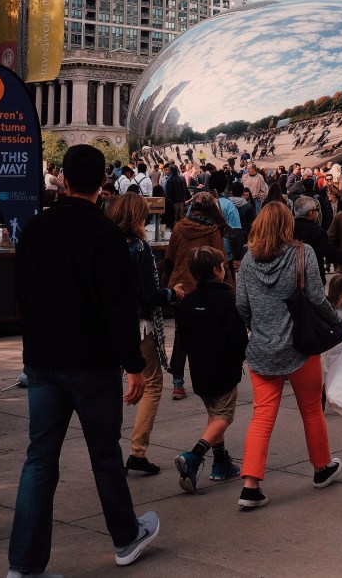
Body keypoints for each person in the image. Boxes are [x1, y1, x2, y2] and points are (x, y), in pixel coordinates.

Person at [6, 145, 159, 577]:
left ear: (65, 181)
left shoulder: (34, 228)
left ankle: (24, 565)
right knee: (104, 455)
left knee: (39, 458)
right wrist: (133, 365)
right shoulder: (105, 235)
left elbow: (23, 295)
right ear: (102, 185)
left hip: (42, 360)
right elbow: (117, 307)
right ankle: (125, 538)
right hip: (91, 363)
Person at [235, 203, 342, 509]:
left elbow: (241, 304)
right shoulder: (303, 254)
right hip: (300, 347)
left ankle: (250, 485)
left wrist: (258, 327)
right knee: (311, 411)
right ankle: (321, 468)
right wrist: (341, 324)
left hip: (262, 350)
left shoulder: (248, 260)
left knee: (262, 416)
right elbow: (317, 300)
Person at [107, 193, 177, 476]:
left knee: (108, 387)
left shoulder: (104, 245)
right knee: (152, 385)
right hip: (139, 326)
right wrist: (172, 293)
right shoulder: (139, 247)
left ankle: (108, 449)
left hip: (107, 325)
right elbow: (150, 294)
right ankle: (138, 450)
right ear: (136, 217)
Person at [175, 247, 248, 494]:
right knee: (224, 416)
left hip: (199, 369)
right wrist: (240, 358)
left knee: (214, 414)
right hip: (224, 368)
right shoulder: (228, 300)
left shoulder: (188, 302)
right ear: (218, 270)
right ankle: (194, 456)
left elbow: (182, 338)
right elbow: (237, 338)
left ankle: (220, 461)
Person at [163, 192, 231, 400]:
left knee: (182, 334)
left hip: (181, 286)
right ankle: (209, 379)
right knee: (209, 335)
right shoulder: (212, 229)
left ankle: (177, 383)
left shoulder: (179, 227)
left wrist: (168, 287)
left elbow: (169, 259)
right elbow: (220, 260)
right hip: (205, 288)